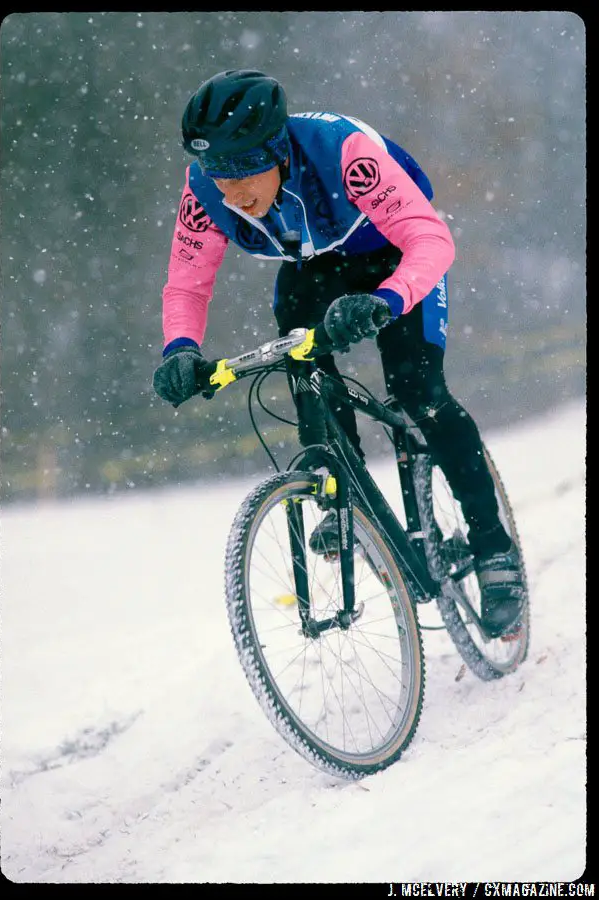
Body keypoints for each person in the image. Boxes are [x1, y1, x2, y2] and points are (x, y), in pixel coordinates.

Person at [153, 68, 525, 639]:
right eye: (215, 173)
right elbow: (186, 284)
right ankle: (339, 493)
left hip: (397, 255)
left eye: (241, 170)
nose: (231, 192)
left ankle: (493, 549)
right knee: (300, 357)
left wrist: (386, 298)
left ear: (277, 149)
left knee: (419, 393)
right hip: (314, 270)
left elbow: (431, 240)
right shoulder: (206, 192)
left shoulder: (344, 154)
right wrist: (180, 348)